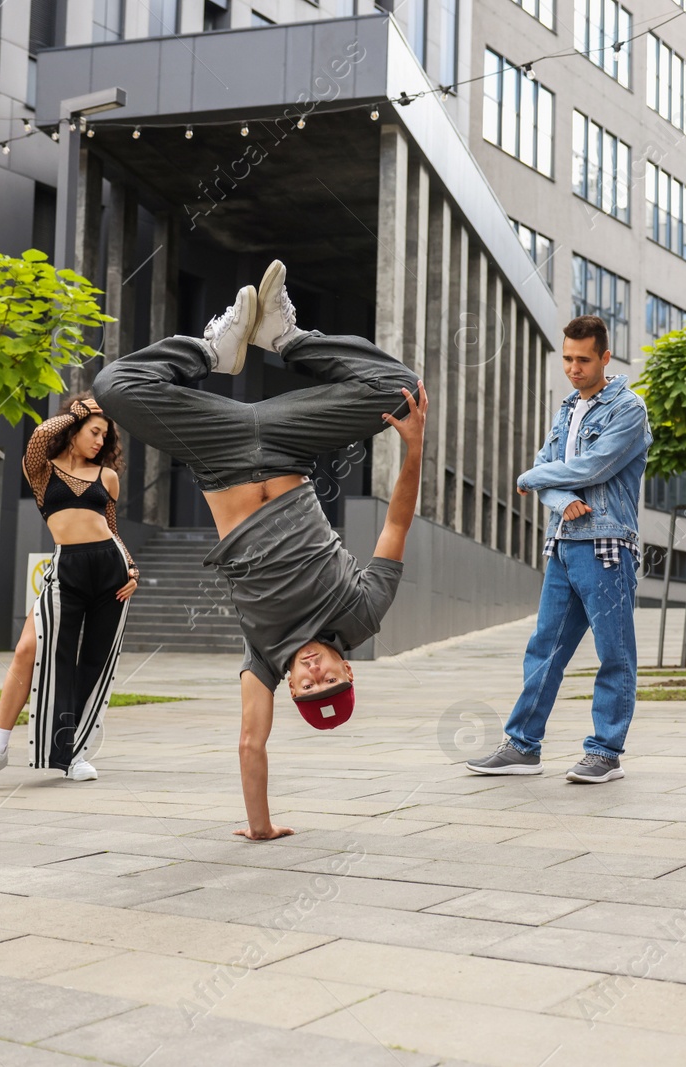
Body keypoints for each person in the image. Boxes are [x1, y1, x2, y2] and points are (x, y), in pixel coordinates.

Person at [93, 260, 426, 840]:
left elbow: (251, 742)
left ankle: (209, 351)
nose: (315, 674)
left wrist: (261, 828)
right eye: (331, 679)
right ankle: (287, 337)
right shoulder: (362, 613)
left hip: (218, 453)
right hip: (285, 442)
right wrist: (414, 447)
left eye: (309, 687)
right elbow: (395, 527)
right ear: (349, 668)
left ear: (292, 688)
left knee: (112, 388)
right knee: (402, 390)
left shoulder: (266, 660)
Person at [467, 315, 650, 783]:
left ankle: (605, 753)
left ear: (605, 357)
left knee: (615, 653)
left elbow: (594, 465)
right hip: (563, 543)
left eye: (583, 360)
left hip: (607, 544)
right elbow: (547, 468)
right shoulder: (566, 409)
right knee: (544, 648)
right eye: (568, 358)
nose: (574, 368)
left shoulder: (628, 409)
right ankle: (523, 747)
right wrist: (558, 494)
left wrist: (533, 480)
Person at [0, 392, 139, 790]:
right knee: (28, 651)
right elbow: (40, 436)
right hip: (68, 568)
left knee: (93, 661)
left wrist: (130, 564)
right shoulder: (42, 470)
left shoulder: (107, 477)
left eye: (104, 438)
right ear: (74, 429)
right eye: (94, 433)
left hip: (110, 571)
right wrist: (82, 410)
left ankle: (71, 750)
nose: (99, 442)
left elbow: (111, 528)